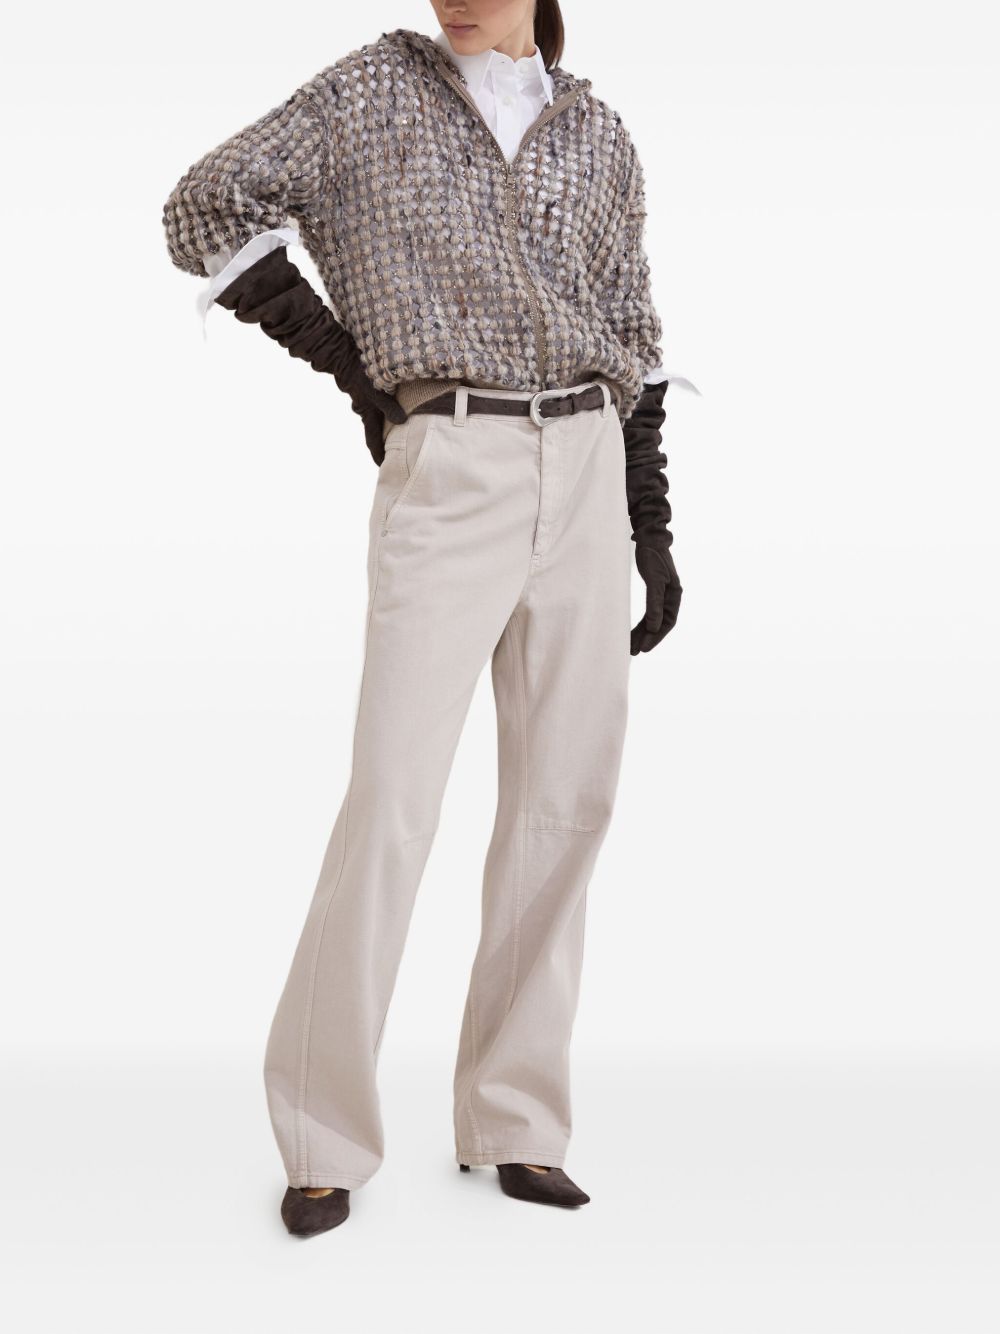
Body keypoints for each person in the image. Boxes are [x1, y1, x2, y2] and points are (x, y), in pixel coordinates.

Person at [161, 0, 698, 1238]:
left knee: (565, 802)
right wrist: (353, 367)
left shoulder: (600, 133)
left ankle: (515, 1120)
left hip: (586, 462)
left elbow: (632, 327)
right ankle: (323, 1134)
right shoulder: (369, 91)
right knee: (393, 800)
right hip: (451, 461)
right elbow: (204, 205)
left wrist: (649, 520)